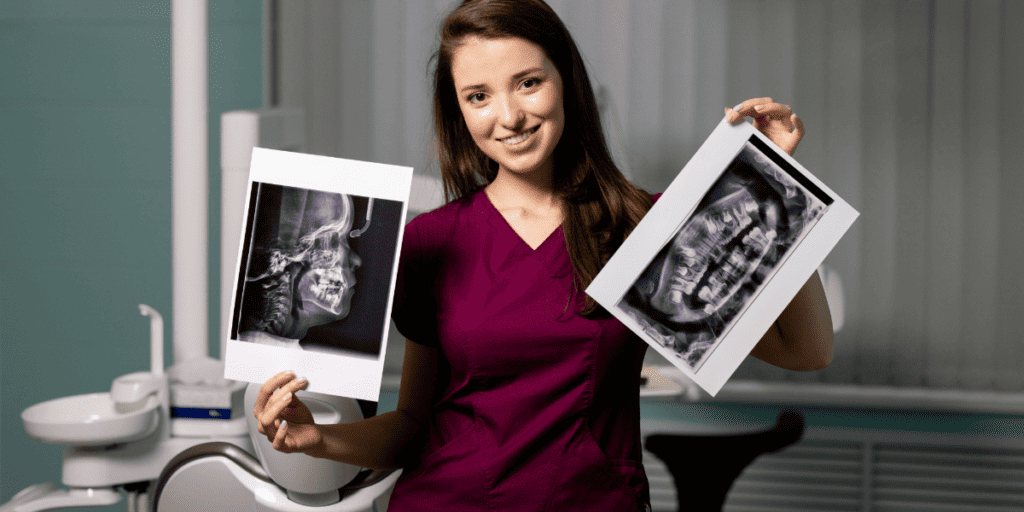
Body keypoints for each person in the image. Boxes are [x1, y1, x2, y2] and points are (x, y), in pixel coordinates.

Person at [252, 0, 833, 510]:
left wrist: (778, 182)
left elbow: (805, 350)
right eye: (478, 96)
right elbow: (413, 426)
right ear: (459, 111)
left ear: (566, 82)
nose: (509, 116)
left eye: (528, 83)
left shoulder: (643, 224)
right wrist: (319, 440)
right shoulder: (431, 240)